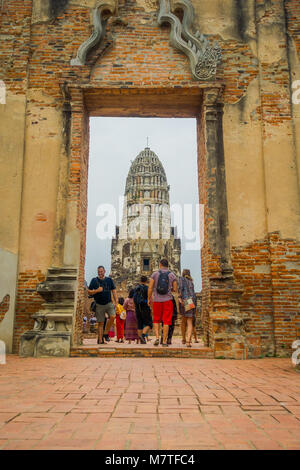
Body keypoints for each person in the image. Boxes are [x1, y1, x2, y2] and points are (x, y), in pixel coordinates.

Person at [148, 259, 178, 347]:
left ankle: (157, 338)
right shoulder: (172, 275)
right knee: (166, 321)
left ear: (160, 264)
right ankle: (164, 341)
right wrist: (169, 290)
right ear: (168, 265)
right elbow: (175, 289)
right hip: (168, 300)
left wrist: (149, 298)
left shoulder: (155, 274)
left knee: (156, 320)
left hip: (157, 300)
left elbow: (150, 288)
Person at [88, 266, 118, 345]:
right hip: (99, 304)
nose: (100, 273)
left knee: (113, 316)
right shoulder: (94, 280)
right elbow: (89, 292)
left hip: (109, 302)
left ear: (104, 271)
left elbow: (114, 291)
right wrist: (96, 290)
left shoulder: (109, 280)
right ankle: (100, 341)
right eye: (99, 272)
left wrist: (116, 302)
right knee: (101, 323)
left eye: (101, 271)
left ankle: (106, 333)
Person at [178, 269, 197, 348]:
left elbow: (180, 289)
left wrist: (179, 298)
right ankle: (188, 341)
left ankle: (183, 339)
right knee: (190, 322)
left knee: (183, 320)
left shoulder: (181, 279)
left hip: (185, 300)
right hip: (191, 301)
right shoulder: (191, 282)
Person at [133, 276, 153, 344]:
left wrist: (135, 308)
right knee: (149, 323)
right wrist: (151, 308)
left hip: (137, 307)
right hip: (145, 307)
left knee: (140, 324)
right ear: (146, 281)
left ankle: (141, 340)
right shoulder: (147, 288)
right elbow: (150, 298)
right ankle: (143, 335)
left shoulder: (136, 288)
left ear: (140, 280)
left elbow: (134, 299)